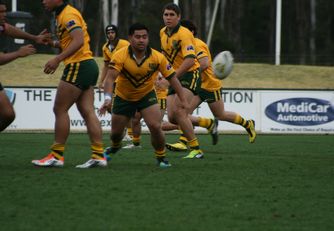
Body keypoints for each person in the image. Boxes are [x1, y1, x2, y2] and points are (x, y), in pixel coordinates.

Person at [100, 23, 188, 168]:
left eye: (144, 37)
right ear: (130, 38)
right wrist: (108, 99)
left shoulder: (157, 57)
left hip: (146, 96)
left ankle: (161, 157)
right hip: (123, 97)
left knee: (155, 126)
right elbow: (109, 79)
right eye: (138, 37)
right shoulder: (120, 55)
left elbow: (172, 78)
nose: (141, 40)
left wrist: (183, 100)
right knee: (115, 134)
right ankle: (115, 146)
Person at [32, 0, 105, 168]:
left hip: (78, 65)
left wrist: (57, 58)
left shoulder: (68, 14)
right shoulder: (62, 15)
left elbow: (78, 40)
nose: (43, 1)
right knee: (87, 111)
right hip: (88, 64)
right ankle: (98, 155)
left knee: (59, 109)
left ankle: (56, 156)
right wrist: (53, 44)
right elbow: (72, 40)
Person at [166, 19, 256, 152]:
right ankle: (184, 141)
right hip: (196, 84)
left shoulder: (197, 44)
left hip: (209, 84)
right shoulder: (183, 44)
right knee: (184, 112)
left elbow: (204, 63)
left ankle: (247, 124)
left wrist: (189, 73)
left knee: (221, 114)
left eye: (183, 30)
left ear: (191, 32)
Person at [160, 3, 214, 159]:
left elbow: (190, 61)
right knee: (172, 117)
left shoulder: (184, 34)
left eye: (171, 15)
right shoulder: (162, 33)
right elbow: (165, 56)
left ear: (179, 17)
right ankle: (207, 123)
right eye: (166, 14)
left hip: (190, 74)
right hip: (174, 75)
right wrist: (163, 74)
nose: (168, 18)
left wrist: (171, 78)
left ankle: (196, 149)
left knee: (179, 111)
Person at [0, 0, 48, 131]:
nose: (4, 14)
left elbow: (8, 29)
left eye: (5, 11)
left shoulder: (1, 25)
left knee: (8, 115)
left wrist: (34, 38)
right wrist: (18, 53)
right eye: (1, 11)